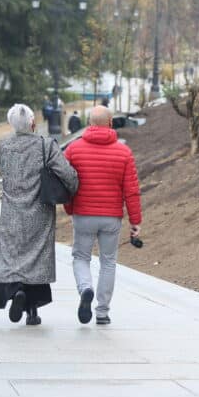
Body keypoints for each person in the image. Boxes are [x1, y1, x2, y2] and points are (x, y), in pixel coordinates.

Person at [0, 104, 78, 326]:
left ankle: (16, 291)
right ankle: (32, 311)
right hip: (39, 211)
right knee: (36, 259)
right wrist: (73, 186)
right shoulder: (44, 145)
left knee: (12, 257)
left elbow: (1, 169)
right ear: (32, 123)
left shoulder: (5, 145)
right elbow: (65, 172)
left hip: (11, 212)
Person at [64, 105, 142, 326]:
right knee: (108, 263)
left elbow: (66, 183)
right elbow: (132, 190)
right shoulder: (124, 152)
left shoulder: (73, 149)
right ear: (110, 123)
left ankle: (85, 288)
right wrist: (135, 221)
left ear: (89, 123)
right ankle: (102, 312)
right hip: (111, 217)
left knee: (81, 257)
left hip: (83, 214)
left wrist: (70, 209)